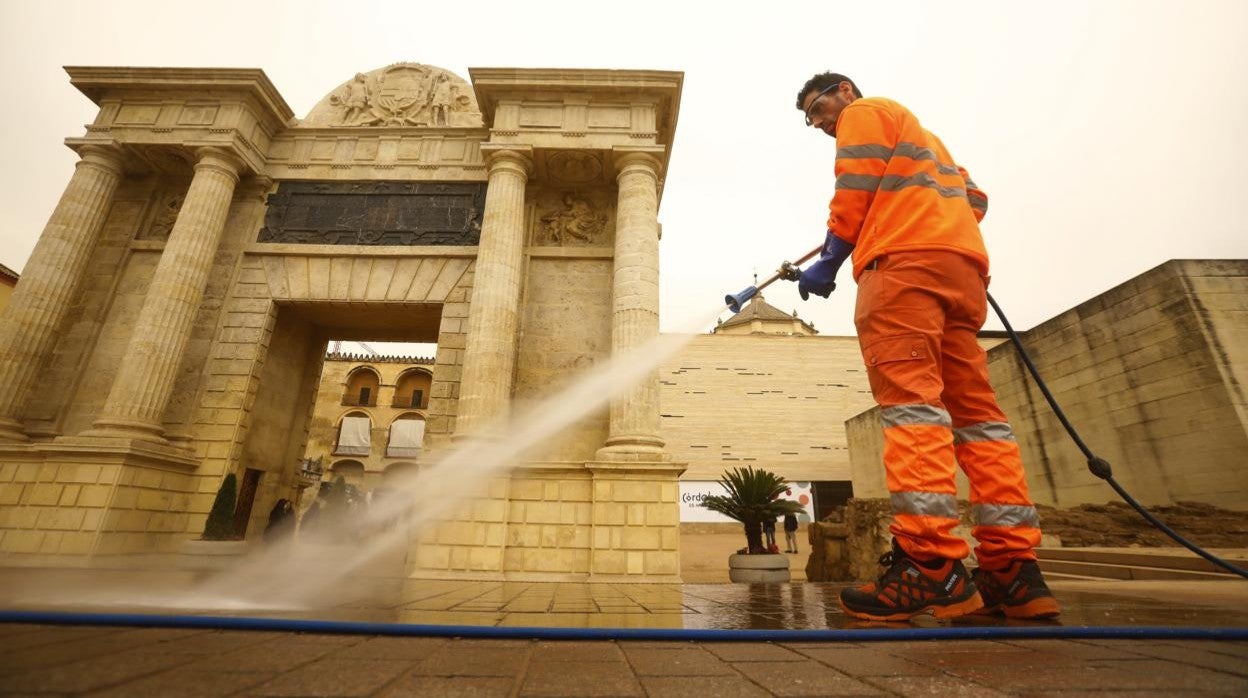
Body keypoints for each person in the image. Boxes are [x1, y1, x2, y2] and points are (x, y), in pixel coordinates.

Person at [795, 72, 1060, 622]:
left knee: (914, 410)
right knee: (979, 419)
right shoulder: (927, 143)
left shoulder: (865, 114)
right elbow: (976, 198)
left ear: (845, 90)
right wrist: (920, 215)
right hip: (959, 271)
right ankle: (1013, 573)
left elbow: (855, 183)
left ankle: (930, 569)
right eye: (810, 119)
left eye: (817, 108)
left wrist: (832, 256)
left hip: (903, 272)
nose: (817, 123)